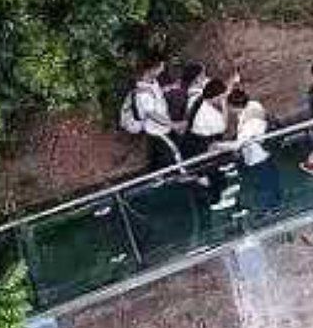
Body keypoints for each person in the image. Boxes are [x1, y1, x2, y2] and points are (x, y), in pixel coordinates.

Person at [185, 79, 240, 212]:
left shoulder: (198, 98)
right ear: (215, 96)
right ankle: (216, 201)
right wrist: (224, 106)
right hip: (203, 143)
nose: (223, 99)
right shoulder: (207, 114)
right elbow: (223, 127)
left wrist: (230, 84)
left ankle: (223, 190)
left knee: (216, 167)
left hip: (197, 140)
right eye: (220, 97)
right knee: (212, 170)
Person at [120, 58, 183, 173]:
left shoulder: (151, 81)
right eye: (160, 67)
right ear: (151, 69)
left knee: (158, 159)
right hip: (157, 131)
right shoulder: (142, 93)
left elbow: (156, 93)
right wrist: (173, 125)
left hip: (159, 129)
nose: (162, 69)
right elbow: (152, 114)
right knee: (173, 155)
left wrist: (171, 87)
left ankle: (157, 175)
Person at [230, 87, 282, 216]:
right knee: (271, 178)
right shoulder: (254, 105)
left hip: (256, 156)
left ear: (235, 106)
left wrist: (217, 146)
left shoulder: (247, 125)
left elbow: (237, 144)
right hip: (265, 150)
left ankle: (269, 209)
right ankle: (276, 204)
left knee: (263, 183)